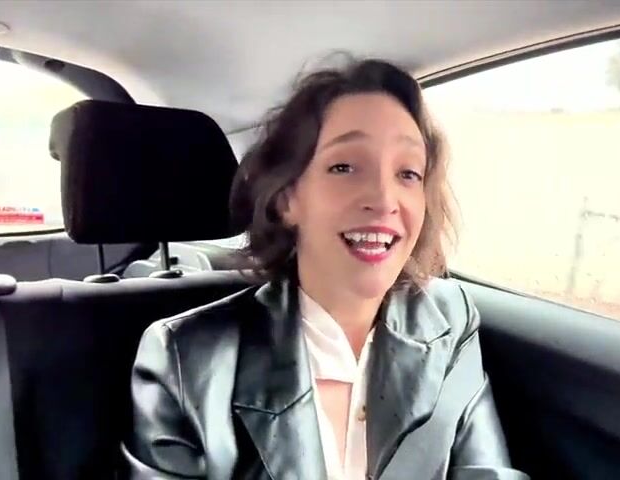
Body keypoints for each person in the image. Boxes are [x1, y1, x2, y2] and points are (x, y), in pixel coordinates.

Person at [121, 58, 527, 480]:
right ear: (286, 199)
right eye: (344, 167)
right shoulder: (185, 357)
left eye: (408, 173)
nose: (384, 199)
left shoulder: (448, 319)